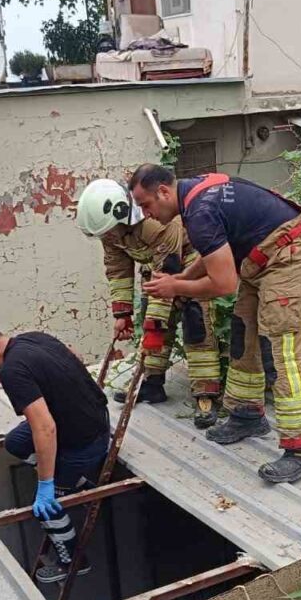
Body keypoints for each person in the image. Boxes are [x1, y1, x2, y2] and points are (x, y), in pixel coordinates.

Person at [130, 164, 301, 483]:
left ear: (164, 192)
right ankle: (247, 415)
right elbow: (212, 258)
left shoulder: (199, 213)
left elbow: (223, 285)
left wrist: (175, 288)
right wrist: (180, 277)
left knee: (282, 347)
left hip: (290, 254)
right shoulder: (195, 195)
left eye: (146, 204)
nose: (146, 214)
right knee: (243, 331)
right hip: (260, 259)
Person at [0, 317, 111, 585]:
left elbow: (45, 428)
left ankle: (73, 561)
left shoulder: (13, 370)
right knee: (16, 442)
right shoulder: (36, 338)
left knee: (46, 507)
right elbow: (74, 356)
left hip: (85, 442)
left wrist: (46, 483)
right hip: (92, 418)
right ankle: (76, 481)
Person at [76, 177, 221, 428]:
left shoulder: (155, 224)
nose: (107, 237)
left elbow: (169, 268)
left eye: (108, 232)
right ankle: (153, 385)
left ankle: (205, 396)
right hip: (157, 269)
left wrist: (158, 319)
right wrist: (123, 313)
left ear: (121, 214)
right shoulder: (110, 230)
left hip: (189, 264)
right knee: (152, 326)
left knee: (195, 327)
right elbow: (118, 268)